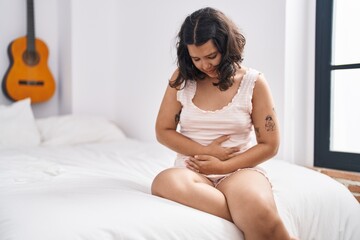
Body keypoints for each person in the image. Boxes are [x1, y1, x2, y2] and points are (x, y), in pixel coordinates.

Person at [151, 7, 297, 240]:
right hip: (193, 171)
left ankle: (254, 213)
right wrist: (205, 153)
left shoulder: (253, 82)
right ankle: (246, 214)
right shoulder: (181, 80)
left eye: (211, 56)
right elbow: (163, 130)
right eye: (195, 58)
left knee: (254, 202)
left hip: (239, 170)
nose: (205, 65)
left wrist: (221, 166)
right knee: (164, 182)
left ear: (226, 47)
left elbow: (270, 144)